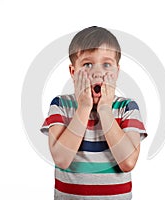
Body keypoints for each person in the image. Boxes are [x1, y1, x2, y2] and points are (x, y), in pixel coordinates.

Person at [40, 26, 147, 200]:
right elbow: (61, 159)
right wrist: (83, 108)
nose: (98, 72)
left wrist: (105, 109)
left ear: (117, 72)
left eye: (106, 64)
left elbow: (128, 162)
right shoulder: (61, 105)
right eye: (87, 64)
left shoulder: (127, 108)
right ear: (73, 72)